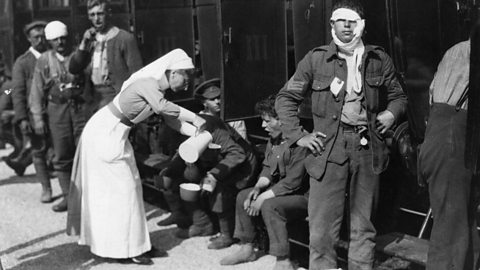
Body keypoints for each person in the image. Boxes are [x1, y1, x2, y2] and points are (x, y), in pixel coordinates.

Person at [275, 1, 407, 269]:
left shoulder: (379, 59)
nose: (346, 26)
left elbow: (398, 96)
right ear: (332, 24)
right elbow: (286, 98)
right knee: (322, 229)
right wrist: (299, 135)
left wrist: (391, 113)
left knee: (363, 227)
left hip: (367, 148)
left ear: (361, 25)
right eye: (341, 21)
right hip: (328, 149)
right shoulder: (316, 59)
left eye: (352, 21)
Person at [66, 49, 206, 265]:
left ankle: (139, 245)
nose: (188, 83)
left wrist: (198, 133)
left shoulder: (157, 91)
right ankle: (124, 249)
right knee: (124, 193)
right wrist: (197, 118)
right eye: (187, 76)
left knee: (132, 190)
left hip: (117, 135)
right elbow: (163, 107)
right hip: (106, 134)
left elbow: (171, 120)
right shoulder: (148, 84)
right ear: (174, 72)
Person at [220, 95, 308, 270]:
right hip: (278, 191)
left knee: (269, 205)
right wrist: (258, 188)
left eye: (267, 121)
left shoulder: (302, 141)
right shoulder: (275, 140)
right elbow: (268, 167)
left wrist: (263, 198)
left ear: (283, 120)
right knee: (243, 195)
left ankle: (283, 261)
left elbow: (294, 182)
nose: (263, 126)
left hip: (302, 197)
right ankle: (247, 248)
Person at [418, 37, 480, 269]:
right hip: (453, 140)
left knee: (463, 222)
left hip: (448, 135)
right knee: (451, 230)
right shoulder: (469, 53)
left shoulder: (456, 49)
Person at [158, 114, 258, 250]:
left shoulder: (213, 127)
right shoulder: (180, 128)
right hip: (215, 162)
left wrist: (213, 176)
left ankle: (227, 235)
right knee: (177, 180)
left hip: (241, 166)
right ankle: (201, 223)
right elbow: (180, 152)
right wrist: (170, 170)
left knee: (218, 191)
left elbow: (237, 154)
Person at [29, 21, 88, 212]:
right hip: (57, 110)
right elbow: (36, 93)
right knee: (62, 155)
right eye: (55, 39)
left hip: (79, 109)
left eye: (63, 38)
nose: (60, 42)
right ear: (49, 41)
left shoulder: (77, 57)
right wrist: (37, 119)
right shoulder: (44, 61)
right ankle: (67, 197)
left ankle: (88, 198)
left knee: (84, 152)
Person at [69, 0, 142, 116]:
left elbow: (137, 74)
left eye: (100, 14)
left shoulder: (124, 38)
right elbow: (73, 68)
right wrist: (83, 43)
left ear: (109, 13)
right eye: (92, 15)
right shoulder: (90, 39)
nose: (96, 19)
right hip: (93, 97)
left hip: (115, 96)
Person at [10, 20, 52, 202]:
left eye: (43, 36)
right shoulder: (22, 62)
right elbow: (16, 92)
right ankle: (46, 188)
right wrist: (22, 118)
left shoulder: (53, 56)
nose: (40, 40)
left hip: (56, 110)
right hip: (34, 114)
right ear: (29, 39)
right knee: (38, 150)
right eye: (36, 37)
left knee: (61, 150)